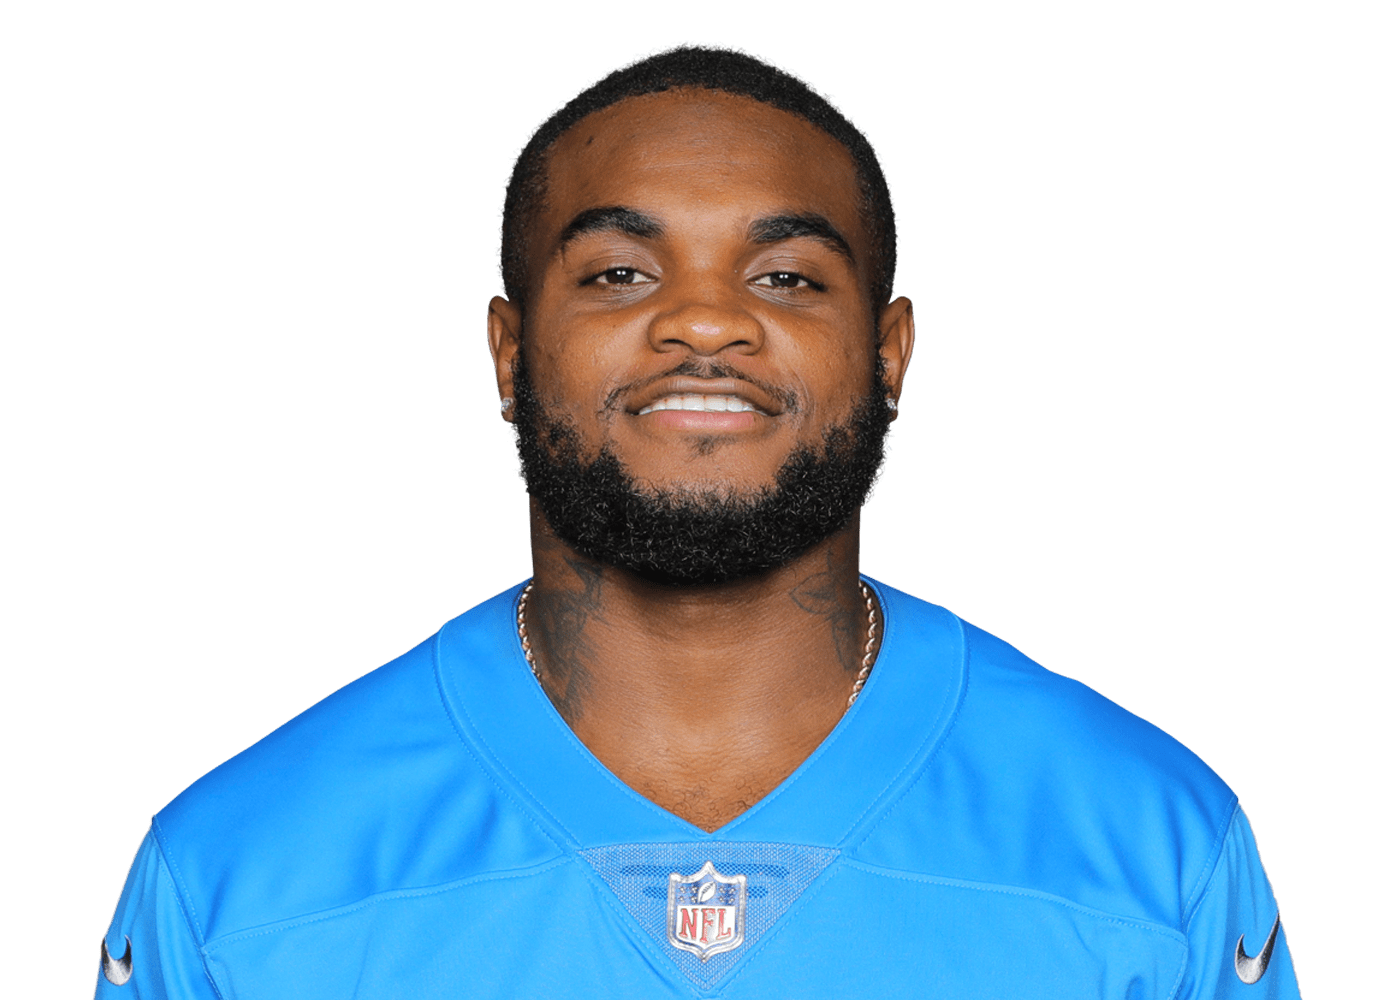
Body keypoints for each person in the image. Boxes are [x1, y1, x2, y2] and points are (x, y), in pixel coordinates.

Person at [95, 44, 1302, 998]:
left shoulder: (1150, 843)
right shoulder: (239, 870)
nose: (705, 322)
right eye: (619, 273)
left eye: (786, 276)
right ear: (508, 354)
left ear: (888, 355)